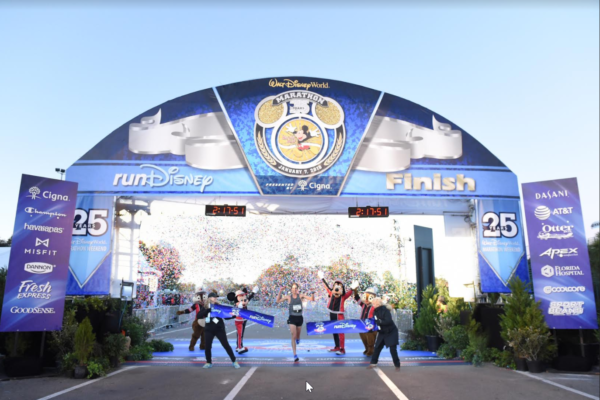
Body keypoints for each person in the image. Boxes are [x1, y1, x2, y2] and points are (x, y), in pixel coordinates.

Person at [196, 292, 240, 369]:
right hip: (208, 329)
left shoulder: (219, 306)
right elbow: (199, 316)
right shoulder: (205, 307)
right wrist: (207, 310)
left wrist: (233, 316)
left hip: (219, 329)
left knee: (226, 345)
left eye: (216, 297)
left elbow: (225, 316)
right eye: (214, 297)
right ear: (210, 298)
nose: (216, 298)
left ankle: (234, 361)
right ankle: (208, 362)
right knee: (207, 346)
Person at [277, 283, 315, 362]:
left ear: (297, 289)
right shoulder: (288, 297)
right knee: (293, 335)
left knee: (297, 335)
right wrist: (280, 291)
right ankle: (295, 354)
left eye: (296, 288)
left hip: (299, 318)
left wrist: (312, 292)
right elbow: (278, 301)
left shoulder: (300, 296)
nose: (294, 290)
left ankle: (298, 338)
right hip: (292, 318)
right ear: (291, 289)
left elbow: (312, 299)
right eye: (293, 288)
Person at [367, 297, 401, 371]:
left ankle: (397, 365)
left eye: (374, 303)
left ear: (378, 304)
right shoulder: (375, 311)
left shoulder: (385, 310)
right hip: (382, 332)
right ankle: (373, 363)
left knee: (393, 349)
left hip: (391, 331)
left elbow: (388, 321)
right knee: (377, 348)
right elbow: (375, 321)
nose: (373, 305)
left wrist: (379, 321)